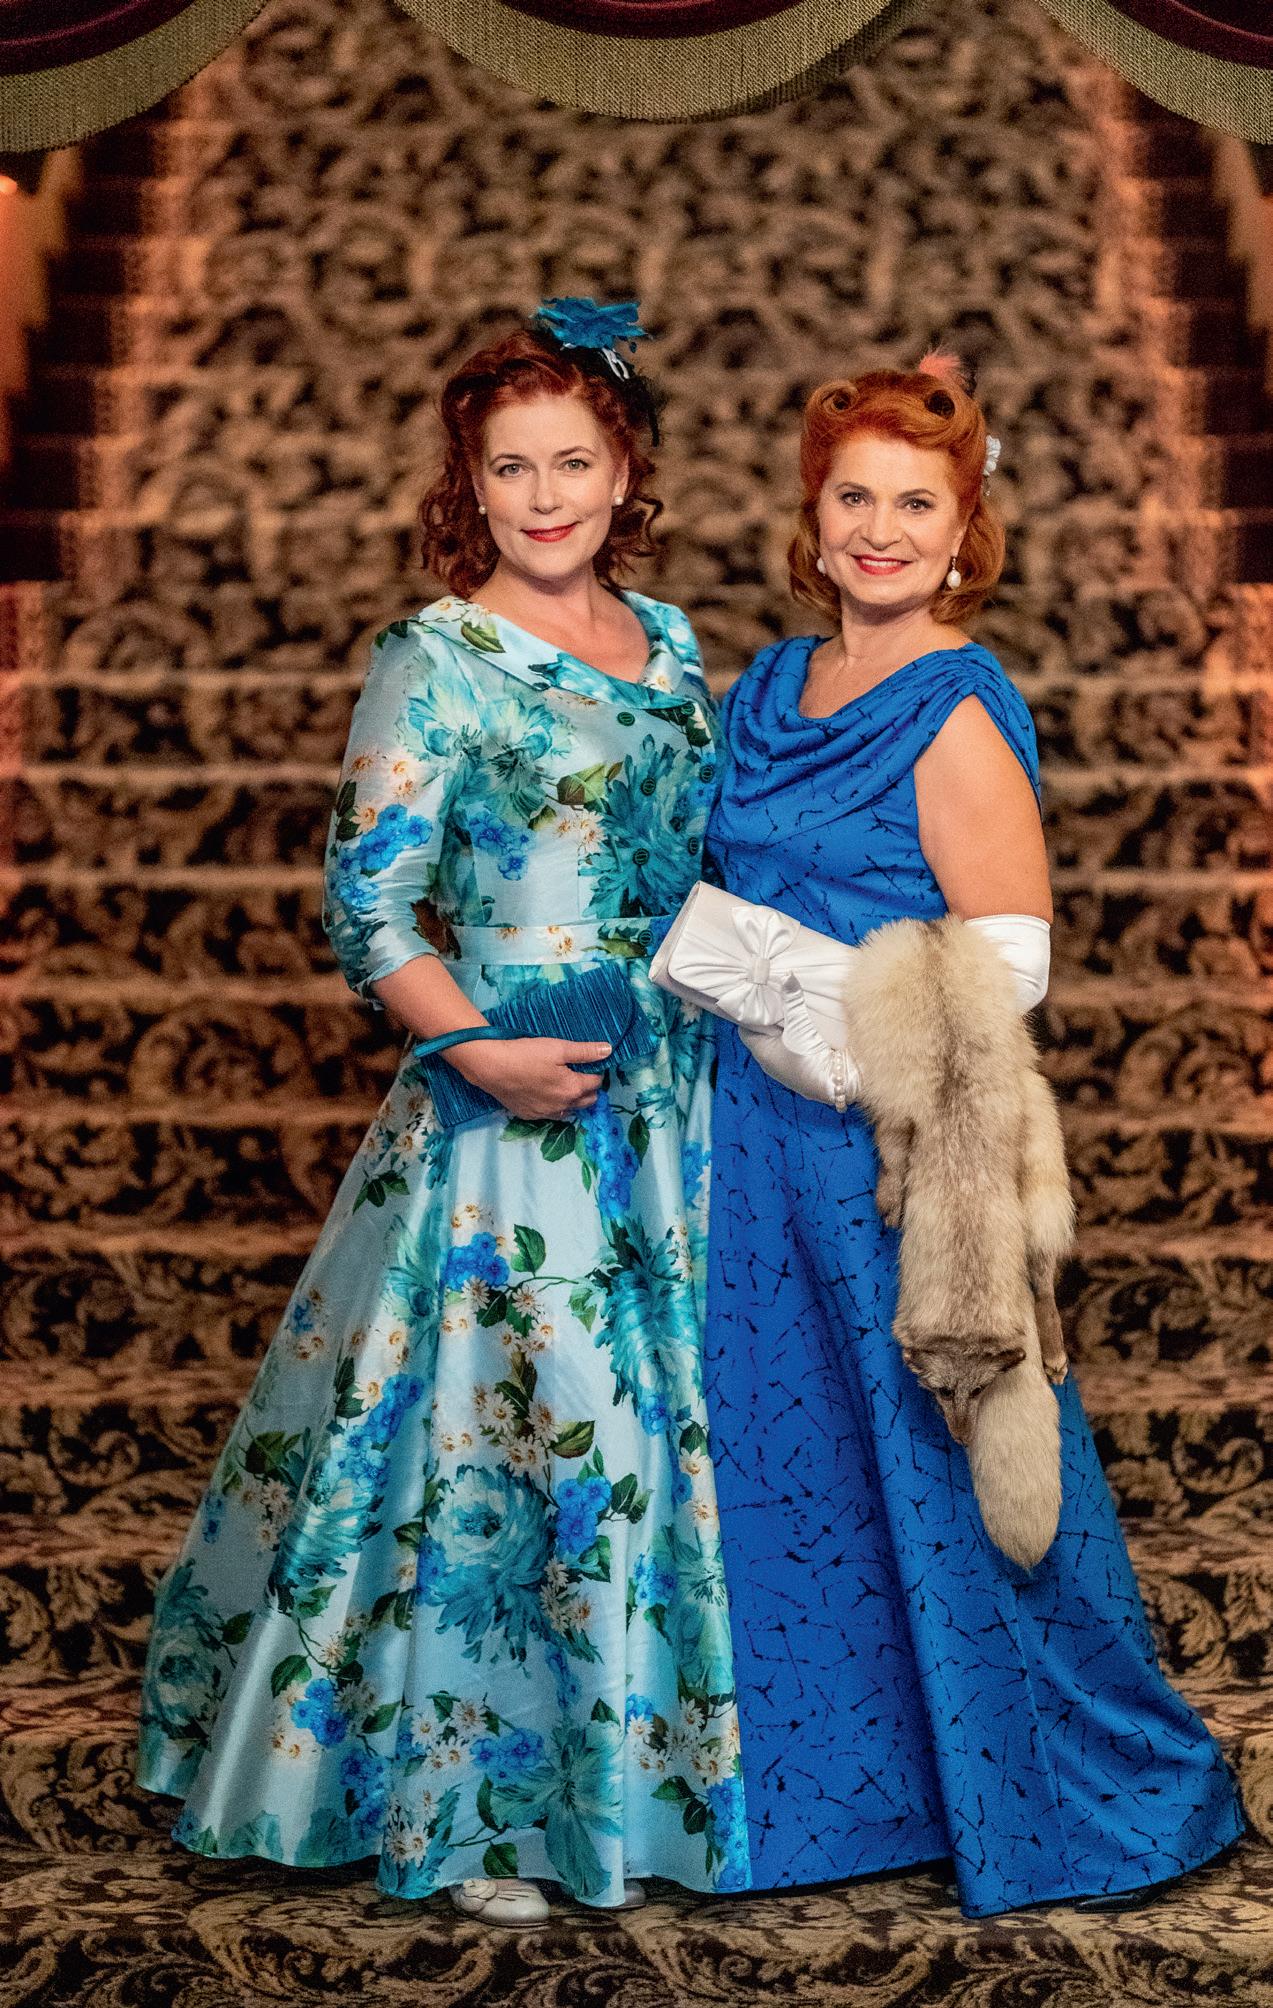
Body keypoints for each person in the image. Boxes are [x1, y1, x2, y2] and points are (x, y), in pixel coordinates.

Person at [135, 301, 746, 1925]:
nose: (544, 496)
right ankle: (484, 1811)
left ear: (625, 470)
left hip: (669, 1089)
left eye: (573, 462)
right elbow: (367, 904)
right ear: (467, 484)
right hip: (507, 1101)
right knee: (523, 1442)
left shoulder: (674, 643)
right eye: (510, 468)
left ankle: (652, 1785)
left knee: (658, 1441)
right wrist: (477, 1051)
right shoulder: (434, 656)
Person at [700, 355, 1244, 1917]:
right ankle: (843, 1797)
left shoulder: (952, 706)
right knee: (794, 1473)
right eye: (852, 496)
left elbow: (1008, 964)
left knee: (940, 1462)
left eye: (914, 504)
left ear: (962, 532)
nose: (878, 530)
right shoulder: (765, 686)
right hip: (748, 1144)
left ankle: (1072, 1794)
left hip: (889, 1152)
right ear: (811, 513)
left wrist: (822, 1021)